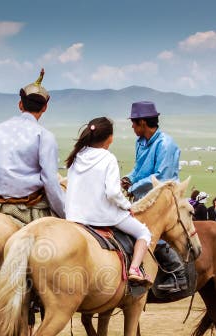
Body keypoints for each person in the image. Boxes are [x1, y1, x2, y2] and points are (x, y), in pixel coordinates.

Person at [65, 117, 152, 284]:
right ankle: (134, 269)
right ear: (109, 138)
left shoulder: (77, 155)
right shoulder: (108, 158)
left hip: (74, 215)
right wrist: (127, 206)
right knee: (144, 233)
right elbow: (112, 193)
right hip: (101, 215)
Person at [0, 69, 65, 224]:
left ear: (20, 104)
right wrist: (65, 212)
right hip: (30, 210)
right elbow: (50, 181)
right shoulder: (45, 136)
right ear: (45, 107)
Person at [121, 101, 186, 293]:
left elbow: (161, 178)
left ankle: (178, 273)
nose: (132, 126)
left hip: (164, 197)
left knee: (156, 231)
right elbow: (140, 170)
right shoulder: (140, 142)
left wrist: (134, 186)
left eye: (133, 122)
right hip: (143, 198)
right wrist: (128, 179)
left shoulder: (166, 144)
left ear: (142, 122)